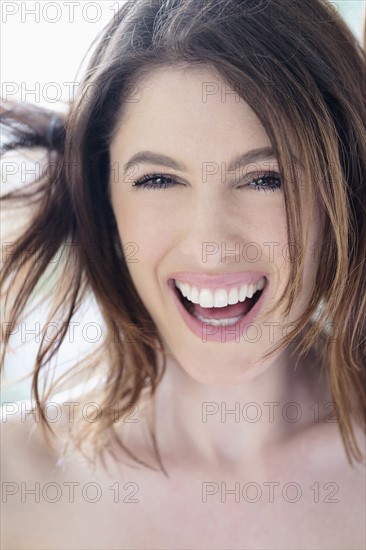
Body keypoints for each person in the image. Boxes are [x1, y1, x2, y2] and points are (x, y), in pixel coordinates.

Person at [1, 0, 365, 548]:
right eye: (158, 180)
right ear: (105, 202)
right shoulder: (17, 480)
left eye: (265, 178)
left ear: (342, 192)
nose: (211, 248)